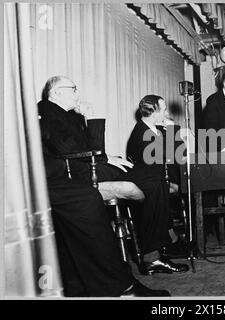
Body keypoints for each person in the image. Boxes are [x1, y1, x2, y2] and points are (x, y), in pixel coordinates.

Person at [38, 76, 186, 276]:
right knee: (153, 180)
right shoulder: (47, 111)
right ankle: (154, 255)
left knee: (155, 179)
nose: (77, 93)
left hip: (89, 166)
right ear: (56, 92)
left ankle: (157, 252)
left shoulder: (67, 115)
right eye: (73, 89)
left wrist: (108, 157)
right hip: (76, 176)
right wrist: (91, 121)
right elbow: (70, 150)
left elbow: (90, 149)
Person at [43, 154, 169, 297]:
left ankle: (153, 256)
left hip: (61, 169)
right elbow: (67, 150)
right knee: (87, 199)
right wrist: (104, 159)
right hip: (70, 169)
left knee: (156, 178)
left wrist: (107, 158)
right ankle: (121, 287)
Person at [126, 95, 190, 266]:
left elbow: (177, 154)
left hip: (160, 178)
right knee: (162, 186)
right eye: (163, 110)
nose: (167, 113)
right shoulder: (141, 132)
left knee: (184, 182)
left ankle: (171, 240)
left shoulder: (154, 129)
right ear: (154, 112)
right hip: (150, 181)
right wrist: (173, 130)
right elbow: (167, 155)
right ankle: (156, 253)